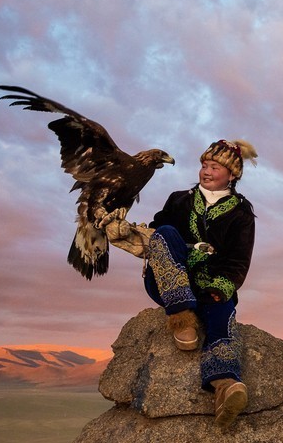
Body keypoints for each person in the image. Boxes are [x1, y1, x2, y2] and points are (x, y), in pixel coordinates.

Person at [104, 139, 258, 427]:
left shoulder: (242, 214)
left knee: (222, 315)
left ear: (232, 175)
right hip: (166, 280)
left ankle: (225, 386)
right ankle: (181, 318)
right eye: (204, 165)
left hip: (208, 286)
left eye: (214, 166)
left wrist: (220, 288)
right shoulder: (179, 199)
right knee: (165, 231)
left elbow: (238, 262)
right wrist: (128, 234)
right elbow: (156, 236)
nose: (206, 171)